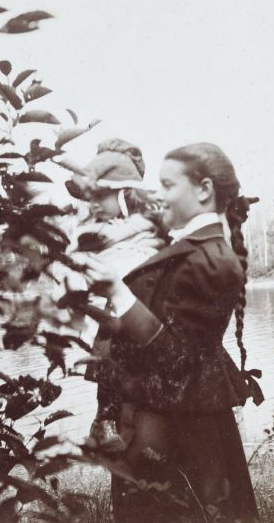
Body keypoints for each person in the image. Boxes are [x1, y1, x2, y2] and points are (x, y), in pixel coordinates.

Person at [80, 142, 263, 523]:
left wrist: (116, 291)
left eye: (167, 185)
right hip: (157, 417)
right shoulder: (183, 247)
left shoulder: (212, 259)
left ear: (204, 190)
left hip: (183, 424)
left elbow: (179, 359)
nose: (156, 194)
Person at [60, 138, 166, 448]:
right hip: (116, 335)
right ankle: (106, 418)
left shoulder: (148, 228)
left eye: (101, 196)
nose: (92, 203)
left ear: (125, 193)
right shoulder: (95, 231)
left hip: (145, 334)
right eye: (89, 196)